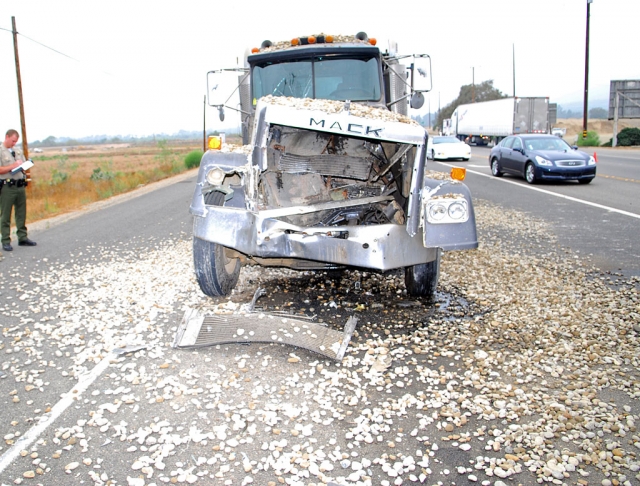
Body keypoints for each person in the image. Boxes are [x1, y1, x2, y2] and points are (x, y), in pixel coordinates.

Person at [0, 129, 36, 251]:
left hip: (20, 185)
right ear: (7, 137)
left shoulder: (18, 151)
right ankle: (5, 240)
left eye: (16, 141)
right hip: (7, 187)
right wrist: (13, 166)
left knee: (21, 212)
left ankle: (22, 237)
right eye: (13, 140)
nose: (14, 143)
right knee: (5, 215)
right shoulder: (1, 151)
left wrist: (25, 165)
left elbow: (23, 166)